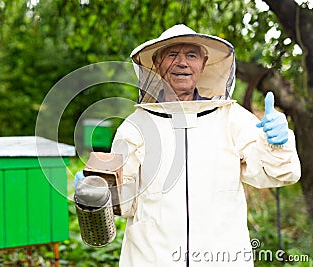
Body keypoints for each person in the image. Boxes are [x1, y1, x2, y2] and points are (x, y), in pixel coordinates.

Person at [76, 24, 301, 266]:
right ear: (157, 63)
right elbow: (127, 201)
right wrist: (99, 190)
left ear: (203, 64)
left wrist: (277, 143)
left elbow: (277, 174)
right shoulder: (136, 126)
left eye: (191, 55)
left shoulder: (232, 118)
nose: (182, 63)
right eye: (172, 55)